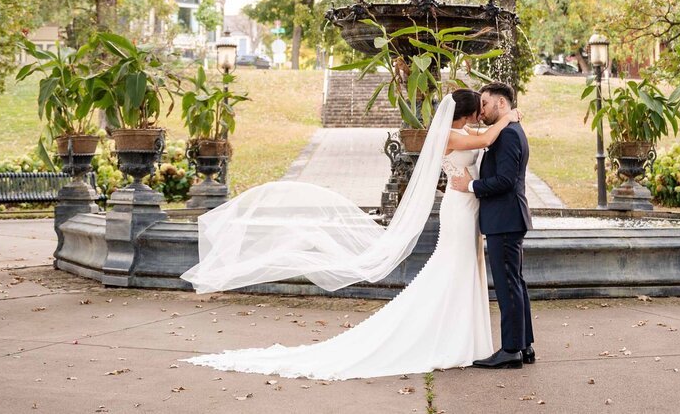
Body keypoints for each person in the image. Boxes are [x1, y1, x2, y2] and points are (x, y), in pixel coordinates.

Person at [181, 89, 520, 380]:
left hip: (468, 207)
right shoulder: (450, 136)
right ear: (465, 114)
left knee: (464, 268)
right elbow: (486, 140)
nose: (482, 114)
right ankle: (451, 337)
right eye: (478, 109)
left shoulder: (462, 130)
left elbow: (482, 140)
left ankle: (463, 336)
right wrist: (508, 117)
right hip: (459, 209)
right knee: (454, 267)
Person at [449, 81, 534, 369]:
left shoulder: (508, 134)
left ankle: (511, 350)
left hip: (504, 218)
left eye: (484, 103)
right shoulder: (507, 130)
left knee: (509, 285)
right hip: (506, 217)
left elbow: (506, 181)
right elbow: (483, 139)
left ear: (501, 103)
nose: (481, 109)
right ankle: (524, 346)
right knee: (515, 283)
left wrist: (471, 185)